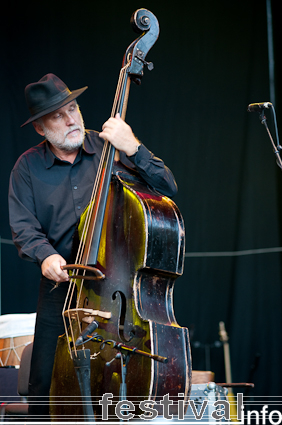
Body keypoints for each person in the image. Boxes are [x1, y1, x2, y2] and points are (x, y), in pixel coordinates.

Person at [8, 73, 177, 420]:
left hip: (120, 288)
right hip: (63, 289)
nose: (71, 119)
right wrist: (46, 256)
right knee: (44, 381)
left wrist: (134, 147)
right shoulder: (26, 167)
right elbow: (24, 228)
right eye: (58, 115)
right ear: (40, 128)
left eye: (73, 108)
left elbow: (167, 186)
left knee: (123, 383)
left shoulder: (109, 148)